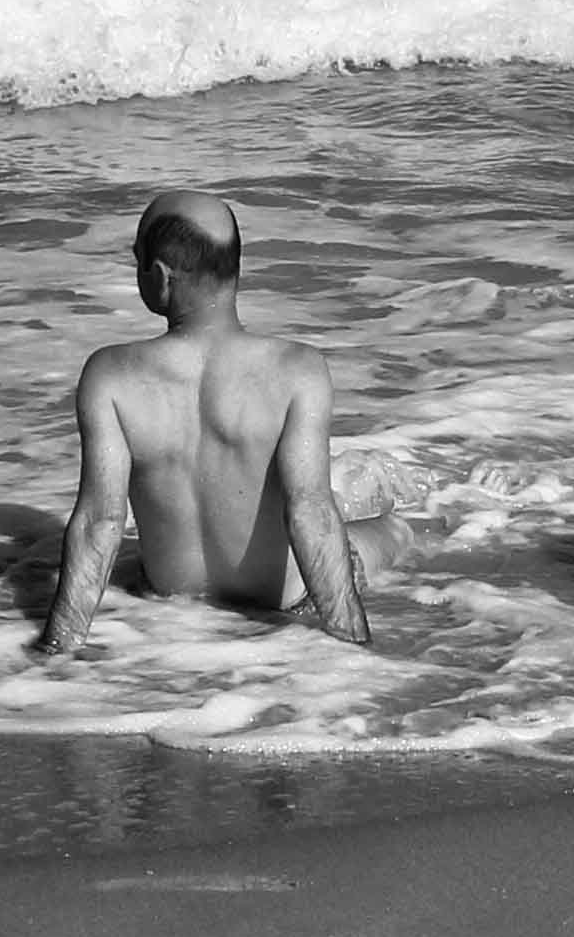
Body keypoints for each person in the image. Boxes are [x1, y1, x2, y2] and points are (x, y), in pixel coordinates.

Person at [36, 189, 412, 657]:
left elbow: (101, 522)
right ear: (235, 268)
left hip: (170, 603)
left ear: (159, 277)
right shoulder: (297, 368)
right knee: (394, 529)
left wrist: (58, 646)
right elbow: (309, 511)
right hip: (283, 602)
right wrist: (353, 647)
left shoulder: (110, 376)